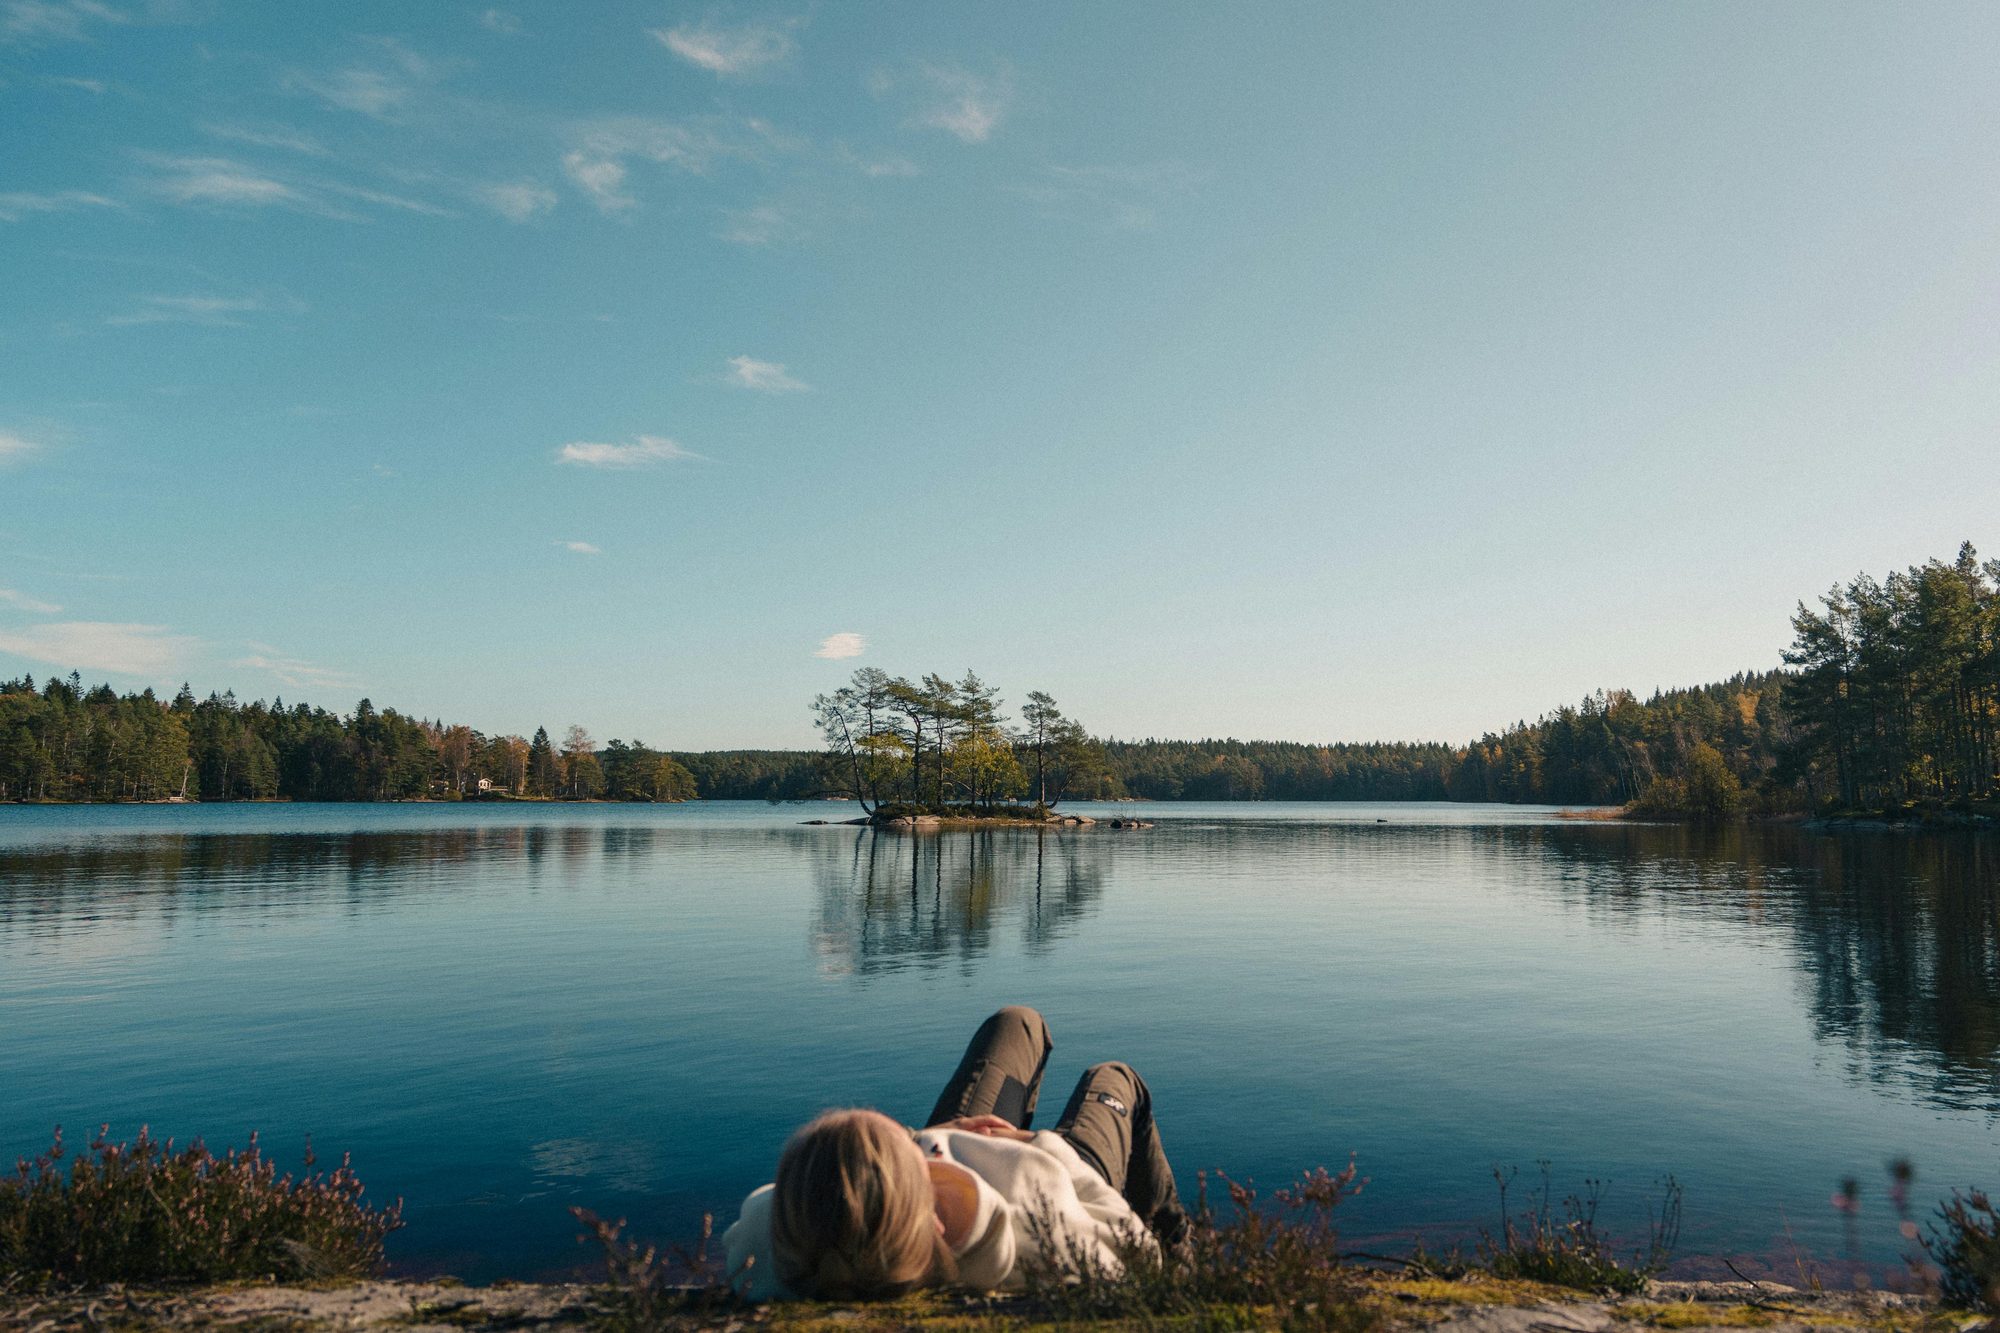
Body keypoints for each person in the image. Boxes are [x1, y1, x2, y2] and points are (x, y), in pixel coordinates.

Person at [721, 1005, 1189, 1301]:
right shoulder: (1041, 1239)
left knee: (1015, 1023)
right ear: (931, 1216)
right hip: (1056, 1169)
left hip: (945, 1164)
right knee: (1116, 1077)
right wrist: (1045, 1147)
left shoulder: (778, 1251)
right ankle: (1187, 1257)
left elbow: (778, 1203)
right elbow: (1135, 1253)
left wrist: (931, 1138)